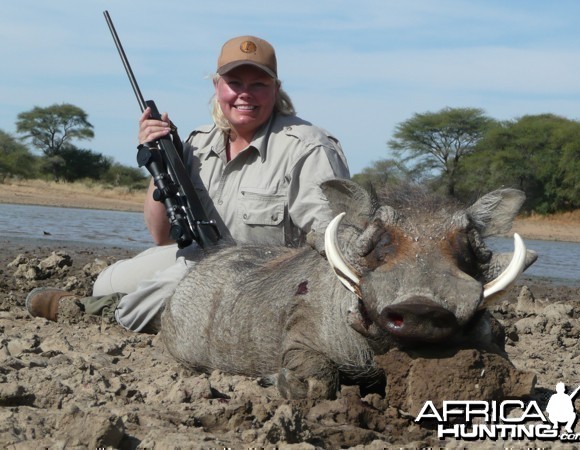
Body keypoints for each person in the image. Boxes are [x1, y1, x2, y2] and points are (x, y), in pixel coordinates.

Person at [26, 35, 351, 332]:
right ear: (217, 86)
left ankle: (100, 314)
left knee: (159, 296)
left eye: (259, 84)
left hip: (262, 278)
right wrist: (161, 160)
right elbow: (161, 235)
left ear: (276, 89)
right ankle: (124, 305)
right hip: (199, 258)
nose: (245, 94)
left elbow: (330, 242)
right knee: (106, 283)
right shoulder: (196, 143)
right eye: (234, 82)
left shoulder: (308, 147)